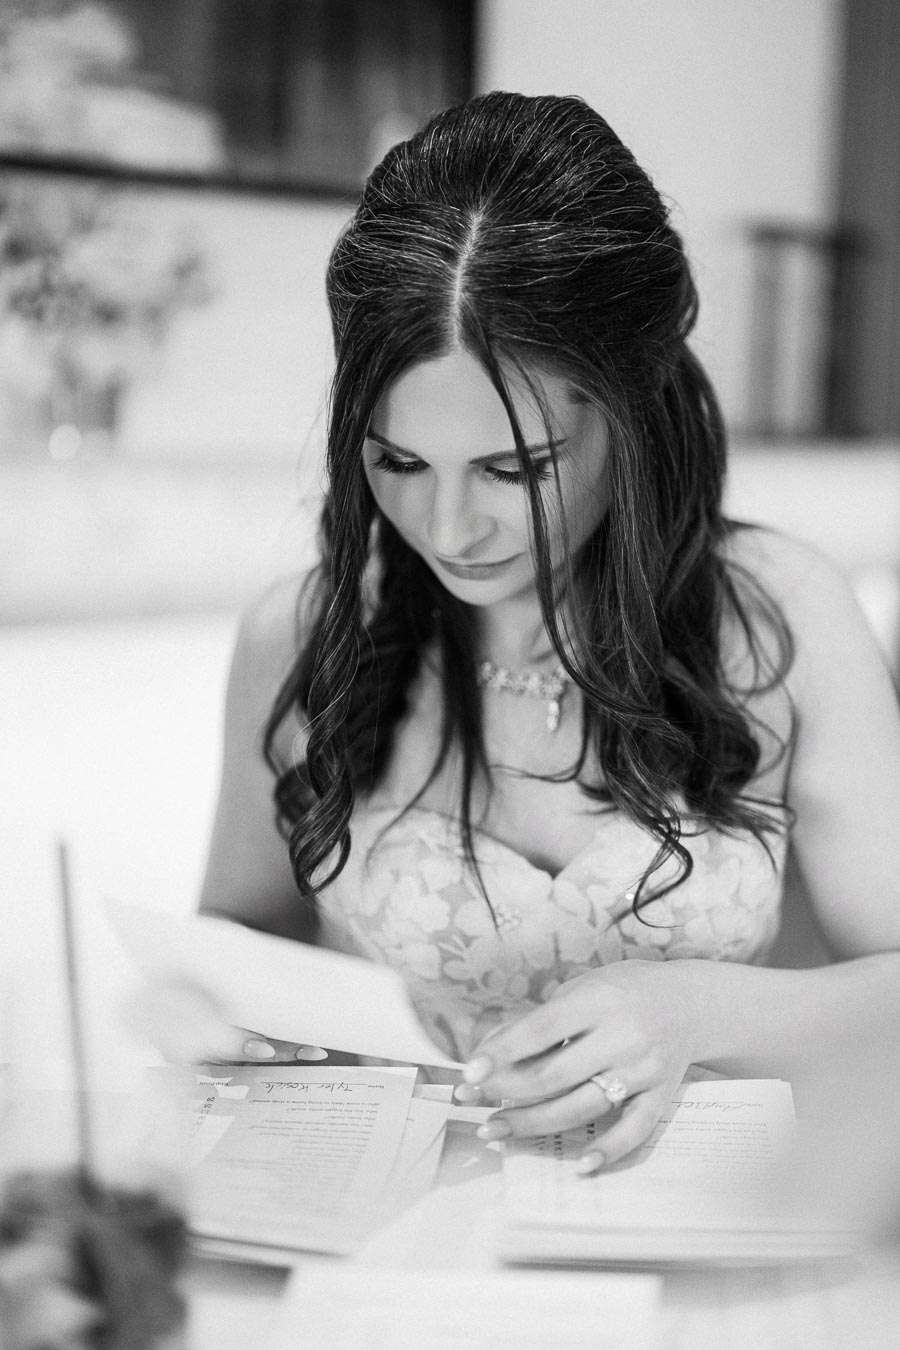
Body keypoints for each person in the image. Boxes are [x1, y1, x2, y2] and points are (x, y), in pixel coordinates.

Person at [150, 91, 900, 1176]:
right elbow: (232, 960)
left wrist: (699, 1008)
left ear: (630, 408)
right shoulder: (306, 637)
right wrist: (193, 1014)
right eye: (397, 463)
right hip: (402, 1247)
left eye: (515, 470)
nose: (448, 530)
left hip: (708, 1233)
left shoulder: (776, 618)